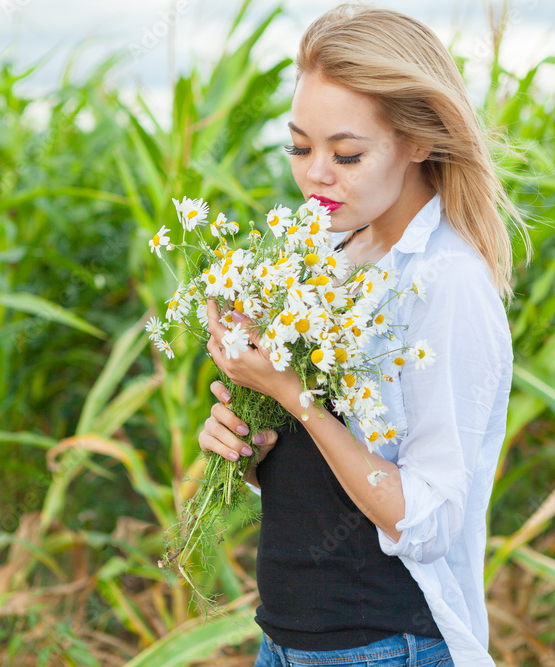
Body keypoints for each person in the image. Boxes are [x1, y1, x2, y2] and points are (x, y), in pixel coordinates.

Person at [198, 4, 532, 666]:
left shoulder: (448, 285)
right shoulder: (332, 252)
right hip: (286, 639)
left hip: (382, 647)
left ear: (418, 141)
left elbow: (423, 519)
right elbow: (338, 469)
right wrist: (252, 436)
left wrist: (295, 397)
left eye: (345, 153)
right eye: (299, 145)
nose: (315, 173)